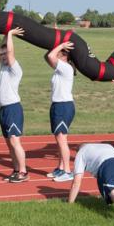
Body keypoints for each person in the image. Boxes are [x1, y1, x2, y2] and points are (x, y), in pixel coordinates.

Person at [0, 27, 29, 183]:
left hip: (13, 108)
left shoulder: (15, 69)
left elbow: (10, 53)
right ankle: (16, 170)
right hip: (3, 109)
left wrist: (10, 34)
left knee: (15, 141)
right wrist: (5, 35)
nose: (3, 57)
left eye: (5, 54)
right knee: (9, 143)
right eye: (1, 55)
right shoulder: (3, 67)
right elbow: (3, 50)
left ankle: (23, 172)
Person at [45, 41, 76, 182]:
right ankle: (61, 168)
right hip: (58, 105)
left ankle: (68, 171)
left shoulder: (66, 68)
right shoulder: (60, 69)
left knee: (62, 139)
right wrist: (57, 42)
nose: (56, 57)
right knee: (60, 139)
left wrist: (61, 46)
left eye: (59, 55)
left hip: (63, 106)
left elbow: (51, 56)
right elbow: (48, 56)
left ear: (65, 57)